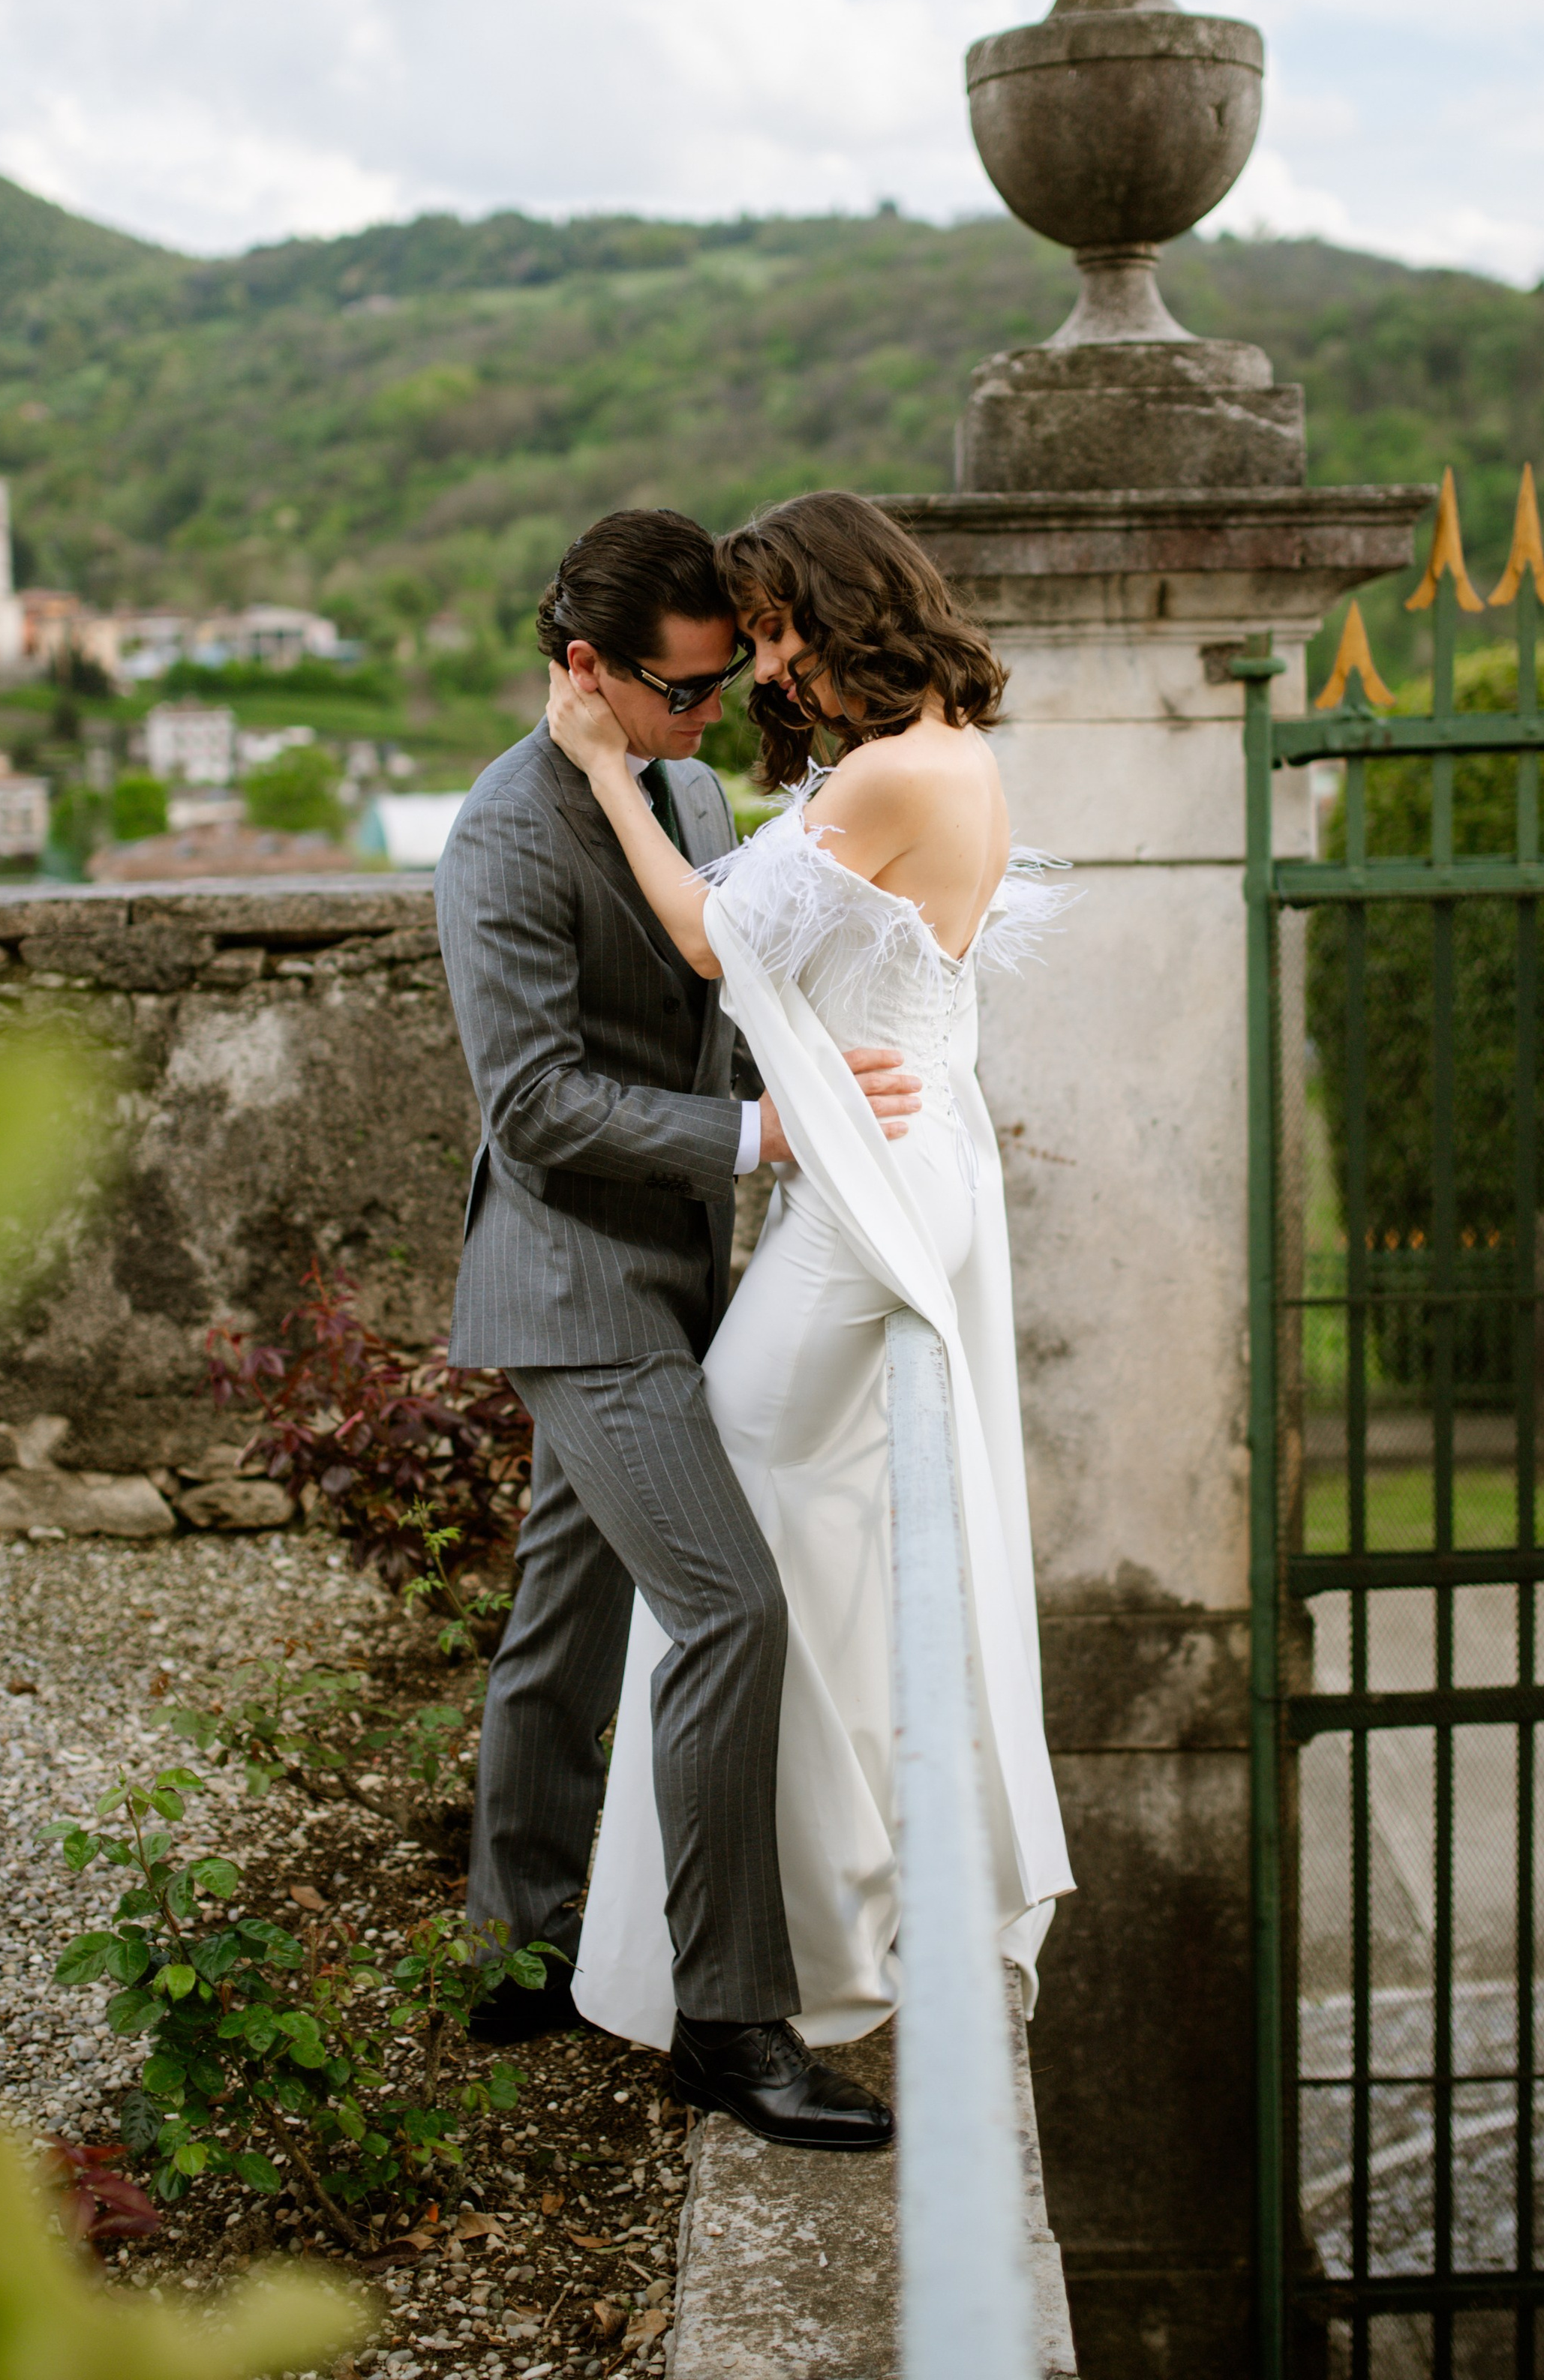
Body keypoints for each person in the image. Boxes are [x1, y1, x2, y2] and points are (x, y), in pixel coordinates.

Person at [545, 488, 1073, 2073]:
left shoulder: (894, 774)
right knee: (800, 1542)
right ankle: (800, 1900)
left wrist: (604, 772)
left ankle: (766, 1928)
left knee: (723, 1534)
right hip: (907, 1162)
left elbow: (711, 938)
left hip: (862, 1200)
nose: (763, 666)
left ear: (843, 613)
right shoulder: (943, 757)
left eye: (773, 631)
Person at [435, 506, 916, 2151]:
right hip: (572, 1289)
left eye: (721, 689)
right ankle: (724, 2018)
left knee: (564, 1617)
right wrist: (764, 1143)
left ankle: (516, 1945)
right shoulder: (496, 841)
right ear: (582, 668)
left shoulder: (690, 789)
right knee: (727, 1610)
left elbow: (733, 980)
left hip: (686, 1273)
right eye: (680, 692)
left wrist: (806, 1080)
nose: (708, 722)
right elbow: (535, 1107)